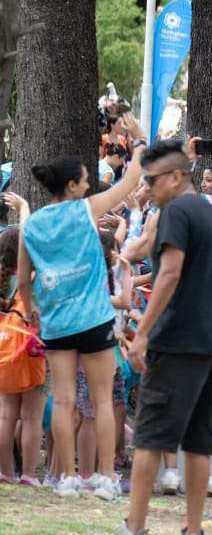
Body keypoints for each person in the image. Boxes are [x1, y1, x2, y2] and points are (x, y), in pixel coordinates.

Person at [89, 140, 212, 535]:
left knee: (151, 437)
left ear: (174, 177)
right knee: (200, 442)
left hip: (179, 340)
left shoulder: (176, 211)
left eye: (151, 180)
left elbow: (168, 273)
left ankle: (134, 534)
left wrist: (145, 332)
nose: (147, 188)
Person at [9, 150, 143, 500]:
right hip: (94, 317)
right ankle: (106, 477)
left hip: (56, 321)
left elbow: (24, 279)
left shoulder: (32, 224)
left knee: (64, 401)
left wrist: (33, 308)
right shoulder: (86, 209)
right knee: (101, 402)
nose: (88, 185)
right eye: (85, 180)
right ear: (71, 186)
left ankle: (67, 477)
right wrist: (141, 150)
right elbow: (130, 182)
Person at [0, 225, 46, 486]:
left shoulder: (2, 281)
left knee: (5, 415)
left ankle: (5, 471)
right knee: (31, 416)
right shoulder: (32, 280)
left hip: (3, 354)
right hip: (30, 353)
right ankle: (28, 474)